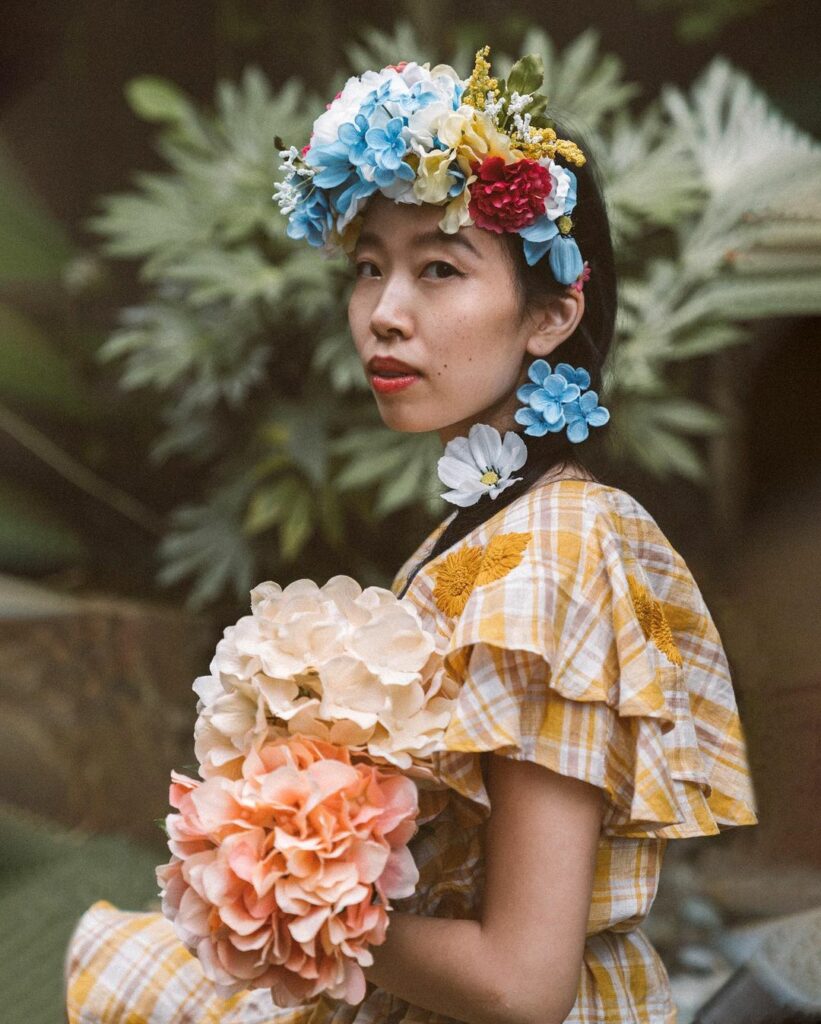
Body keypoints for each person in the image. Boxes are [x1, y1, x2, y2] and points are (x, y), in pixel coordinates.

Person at [65, 48, 758, 1024]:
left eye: (438, 267)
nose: (382, 315)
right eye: (367, 269)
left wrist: (277, 903)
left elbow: (522, 983)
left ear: (553, 312)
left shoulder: (553, 557)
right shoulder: (497, 519)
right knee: (128, 950)